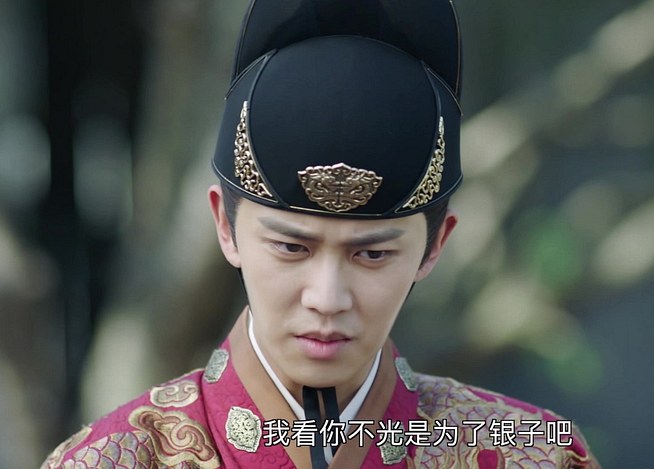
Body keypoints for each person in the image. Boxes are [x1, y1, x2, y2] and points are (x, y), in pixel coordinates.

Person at [42, 0, 600, 467]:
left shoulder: (532, 454)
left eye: (373, 254)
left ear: (435, 246)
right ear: (225, 227)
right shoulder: (112, 460)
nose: (327, 299)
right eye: (291, 246)